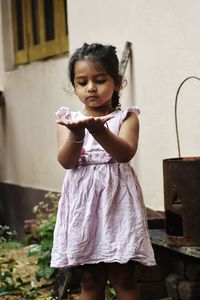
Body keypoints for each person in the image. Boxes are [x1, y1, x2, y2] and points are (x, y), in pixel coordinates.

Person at [51, 43, 156, 300]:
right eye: (82, 82)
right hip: (83, 208)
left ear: (117, 82)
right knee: (90, 277)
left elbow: (124, 154)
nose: (91, 88)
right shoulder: (68, 120)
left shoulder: (127, 118)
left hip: (117, 203)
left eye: (99, 80)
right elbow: (67, 162)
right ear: (74, 86)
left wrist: (99, 131)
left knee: (123, 275)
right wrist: (77, 134)